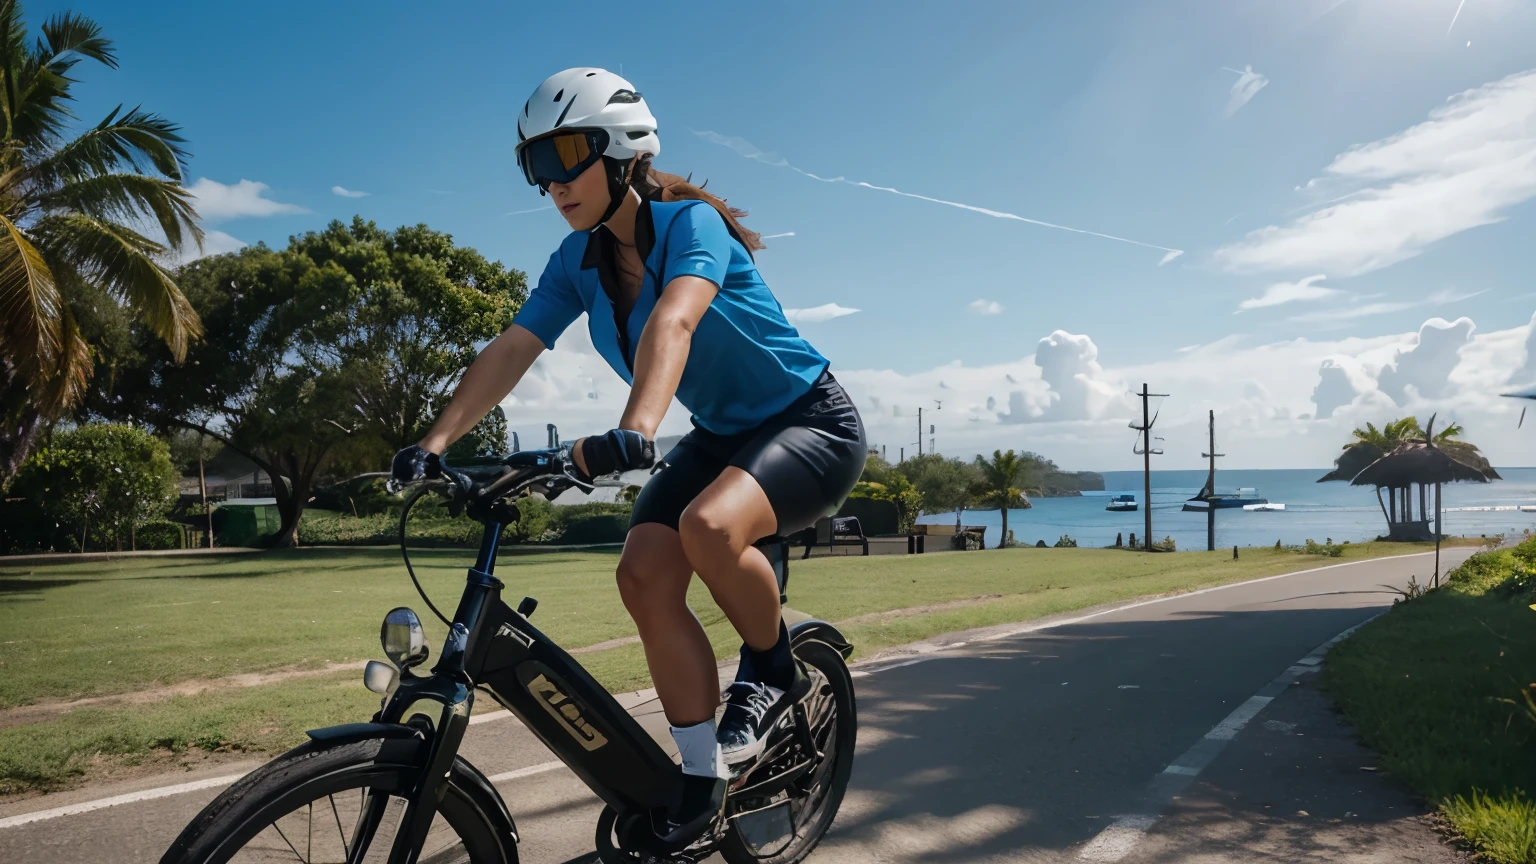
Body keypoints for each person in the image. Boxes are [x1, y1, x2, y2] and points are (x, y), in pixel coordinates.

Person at [390, 68, 866, 848]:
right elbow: (514, 346)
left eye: (567, 155)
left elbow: (673, 322)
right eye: (536, 165)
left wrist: (636, 427)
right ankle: (700, 777)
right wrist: (433, 443)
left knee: (710, 528)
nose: (552, 182)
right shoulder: (576, 262)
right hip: (722, 435)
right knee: (642, 572)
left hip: (810, 419)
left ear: (622, 154)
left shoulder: (690, 228)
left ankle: (774, 666)